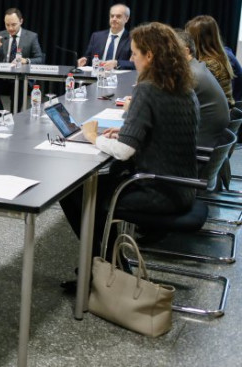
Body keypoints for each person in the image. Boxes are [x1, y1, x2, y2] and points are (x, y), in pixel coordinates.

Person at [59, 22, 199, 288]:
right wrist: (129, 129)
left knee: (77, 194)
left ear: (150, 56)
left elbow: (124, 151)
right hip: (182, 186)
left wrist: (92, 137)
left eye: (135, 53)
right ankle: (108, 262)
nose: (131, 59)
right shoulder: (183, 87)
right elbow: (161, 131)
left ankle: (102, 267)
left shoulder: (148, 89)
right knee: (91, 189)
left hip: (156, 190)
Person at [176, 30, 229, 147]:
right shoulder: (197, 67)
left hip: (198, 146)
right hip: (209, 138)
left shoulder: (190, 74)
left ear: (185, 52)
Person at [0, 8, 44, 112]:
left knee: (19, 89)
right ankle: (0, 116)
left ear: (21, 21)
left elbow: (40, 58)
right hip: (2, 76)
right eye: (7, 25)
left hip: (20, 78)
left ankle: (14, 117)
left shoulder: (31, 37)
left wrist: (26, 60)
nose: (10, 28)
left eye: (13, 24)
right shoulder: (0, 35)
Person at [186, 15, 235, 107]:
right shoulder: (219, 57)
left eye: (188, 37)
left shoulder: (210, 65)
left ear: (197, 40)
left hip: (216, 115)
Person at [77, 3, 134, 70]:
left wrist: (117, 63)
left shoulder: (132, 39)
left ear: (126, 19)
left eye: (118, 16)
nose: (114, 19)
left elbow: (134, 64)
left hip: (119, 78)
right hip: (97, 75)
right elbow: (88, 57)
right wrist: (84, 60)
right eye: (112, 16)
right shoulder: (96, 36)